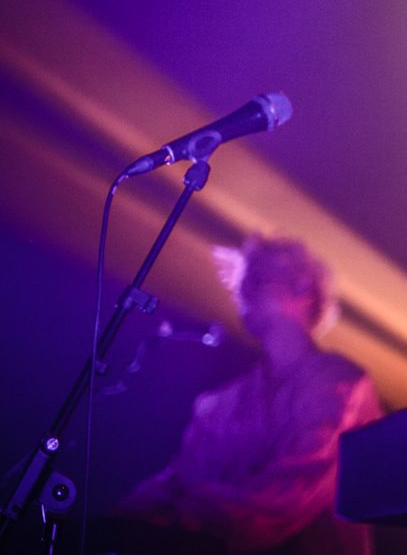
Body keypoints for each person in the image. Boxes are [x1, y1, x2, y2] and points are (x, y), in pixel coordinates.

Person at [110, 236, 382, 554]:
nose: (242, 290)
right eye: (243, 282)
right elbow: (183, 477)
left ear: (303, 289)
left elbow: (288, 496)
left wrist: (174, 513)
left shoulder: (343, 385)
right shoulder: (224, 402)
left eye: (257, 278)